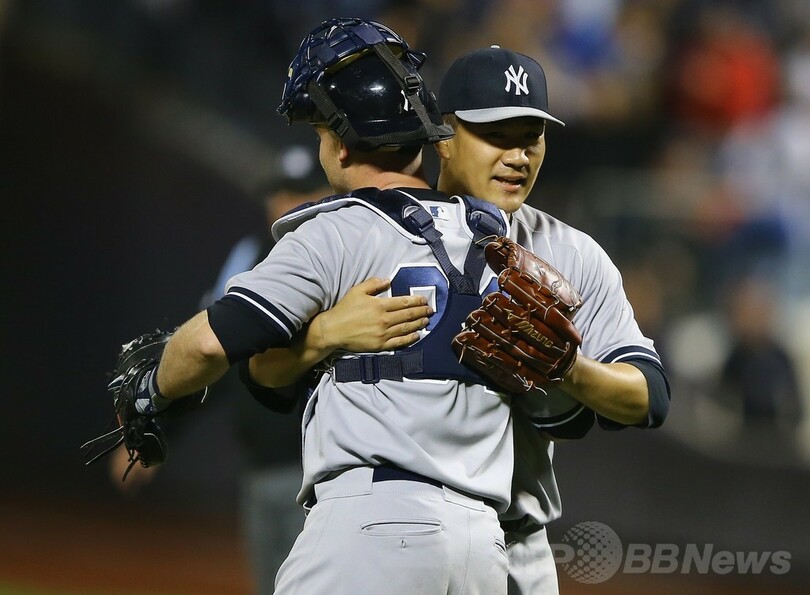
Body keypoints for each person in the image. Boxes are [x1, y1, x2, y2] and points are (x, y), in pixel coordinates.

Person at [248, 45, 671, 594]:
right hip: (392, 519)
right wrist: (325, 335)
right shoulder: (372, 233)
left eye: (531, 137)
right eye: (496, 135)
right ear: (443, 136)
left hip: (515, 545)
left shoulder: (570, 252)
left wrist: (569, 368)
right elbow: (264, 374)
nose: (518, 156)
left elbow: (649, 396)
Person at [139, 18, 520, 595]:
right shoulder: (501, 239)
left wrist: (152, 389)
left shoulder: (338, 230)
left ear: (341, 143)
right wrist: (320, 338)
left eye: (320, 132)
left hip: (375, 524)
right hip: (484, 547)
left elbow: (207, 345)